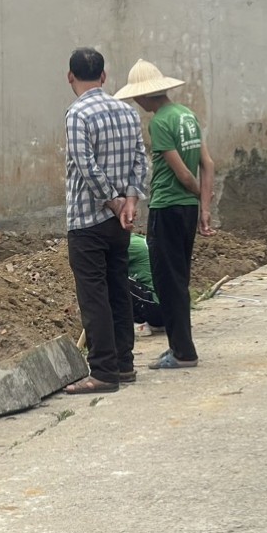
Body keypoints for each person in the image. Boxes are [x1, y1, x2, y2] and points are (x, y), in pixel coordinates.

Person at [115, 59, 216, 371]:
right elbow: (208, 164)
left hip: (167, 207)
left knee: (167, 281)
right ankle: (178, 345)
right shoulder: (187, 115)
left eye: (136, 96)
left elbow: (184, 174)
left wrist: (197, 193)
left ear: (145, 95)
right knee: (179, 277)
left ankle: (183, 352)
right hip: (187, 210)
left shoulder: (159, 122)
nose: (136, 101)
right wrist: (204, 206)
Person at [63, 47, 150, 395]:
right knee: (118, 290)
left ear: (70, 77)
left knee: (94, 296)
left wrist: (113, 202)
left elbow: (86, 167)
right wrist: (130, 201)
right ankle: (124, 364)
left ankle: (102, 371)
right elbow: (140, 160)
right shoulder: (127, 112)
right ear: (103, 76)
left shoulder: (76, 114)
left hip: (87, 220)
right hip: (120, 223)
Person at [126, 233, 164, 335]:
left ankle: (139, 323)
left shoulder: (129, 245)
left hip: (156, 311)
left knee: (114, 279)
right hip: (172, 311)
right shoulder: (140, 239)